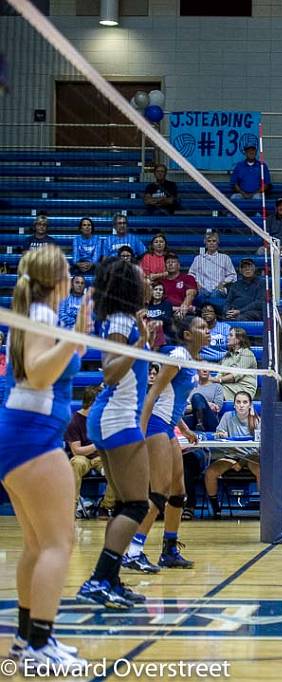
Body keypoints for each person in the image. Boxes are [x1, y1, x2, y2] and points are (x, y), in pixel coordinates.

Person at [0, 245, 90, 668]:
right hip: (33, 436)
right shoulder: (42, 315)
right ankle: (40, 646)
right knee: (58, 542)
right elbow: (37, 371)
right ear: (57, 279)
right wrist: (72, 339)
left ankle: (26, 640)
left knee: (37, 544)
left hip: (21, 433)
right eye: (68, 271)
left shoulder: (36, 314)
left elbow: (43, 369)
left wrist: (74, 343)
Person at [78, 256, 152, 610]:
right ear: (128, 285)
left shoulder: (125, 318)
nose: (146, 278)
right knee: (138, 504)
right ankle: (97, 579)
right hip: (116, 416)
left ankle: (109, 580)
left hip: (115, 416)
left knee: (126, 504)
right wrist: (140, 345)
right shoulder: (121, 320)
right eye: (140, 276)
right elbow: (109, 371)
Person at [127, 315, 205, 572]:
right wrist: (140, 432)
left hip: (169, 426)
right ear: (187, 335)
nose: (207, 330)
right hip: (155, 425)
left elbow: (175, 399)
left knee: (178, 493)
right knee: (158, 492)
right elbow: (153, 395)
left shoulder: (192, 359)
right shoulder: (178, 355)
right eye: (201, 327)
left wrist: (184, 428)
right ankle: (133, 551)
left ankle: (169, 550)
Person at [205, 391, 261, 517]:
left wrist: (242, 462)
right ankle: (215, 508)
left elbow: (259, 446)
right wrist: (220, 435)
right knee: (210, 473)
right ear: (234, 405)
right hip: (230, 456)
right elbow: (218, 435)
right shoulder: (227, 416)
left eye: (245, 402)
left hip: (251, 457)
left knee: (261, 471)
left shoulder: (257, 420)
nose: (241, 405)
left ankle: (264, 506)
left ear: (250, 405)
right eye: (238, 402)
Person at [66, 385, 115, 517]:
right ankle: (72, 506)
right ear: (91, 403)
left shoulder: (104, 419)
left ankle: (106, 506)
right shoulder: (74, 421)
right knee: (76, 463)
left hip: (101, 457)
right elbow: (76, 450)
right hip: (83, 457)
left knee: (117, 466)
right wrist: (96, 445)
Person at [188, 232, 236, 312]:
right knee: (201, 295)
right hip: (202, 289)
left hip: (218, 289)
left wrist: (223, 283)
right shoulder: (198, 258)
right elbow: (191, 274)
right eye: (209, 241)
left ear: (218, 243)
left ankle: (215, 315)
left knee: (215, 294)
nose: (211, 243)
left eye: (214, 241)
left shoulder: (225, 258)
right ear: (205, 243)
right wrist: (196, 283)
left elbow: (233, 275)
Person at [211, 327, 258, 401]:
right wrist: (211, 381)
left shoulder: (247, 354)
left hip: (242, 389)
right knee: (206, 388)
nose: (227, 337)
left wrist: (218, 380)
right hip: (226, 386)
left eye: (231, 335)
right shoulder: (228, 356)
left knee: (213, 390)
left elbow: (235, 375)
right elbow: (220, 373)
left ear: (239, 339)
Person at [184, 369, 224, 433]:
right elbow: (183, 409)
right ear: (197, 371)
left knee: (197, 396)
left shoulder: (217, 387)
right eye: (202, 368)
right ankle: (199, 424)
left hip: (209, 420)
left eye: (206, 368)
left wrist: (200, 403)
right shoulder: (190, 387)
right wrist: (203, 404)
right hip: (193, 418)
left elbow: (217, 408)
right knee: (176, 420)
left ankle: (200, 424)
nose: (204, 370)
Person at [161, 253, 198, 318]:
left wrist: (183, 309)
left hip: (184, 313)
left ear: (178, 265)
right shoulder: (161, 282)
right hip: (165, 313)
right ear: (165, 267)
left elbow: (190, 295)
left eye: (173, 262)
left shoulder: (188, 278)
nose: (170, 264)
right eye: (168, 262)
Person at [144, 282, 174, 349]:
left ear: (163, 293)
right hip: (147, 332)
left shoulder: (166, 304)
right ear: (151, 292)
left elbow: (167, 319)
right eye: (156, 289)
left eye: (160, 290)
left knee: (157, 325)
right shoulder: (147, 305)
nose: (158, 292)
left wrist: (150, 318)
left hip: (164, 334)